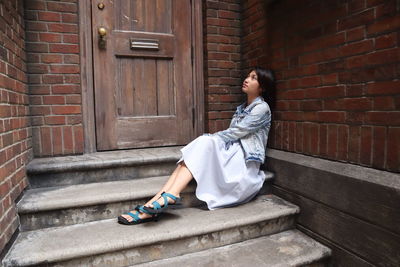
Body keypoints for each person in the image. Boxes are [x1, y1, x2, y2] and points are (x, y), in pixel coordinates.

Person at [118, 66, 276, 225]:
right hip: (231, 155)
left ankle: (166, 197)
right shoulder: (242, 108)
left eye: (253, 78)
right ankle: (158, 199)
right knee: (193, 154)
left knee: (205, 142)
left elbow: (235, 133)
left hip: (243, 163)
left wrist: (210, 138)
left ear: (262, 87)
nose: (247, 79)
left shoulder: (262, 108)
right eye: (248, 76)